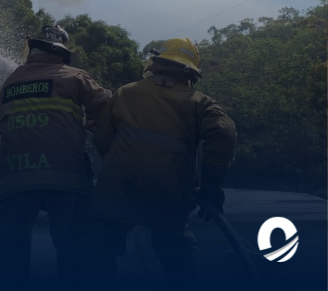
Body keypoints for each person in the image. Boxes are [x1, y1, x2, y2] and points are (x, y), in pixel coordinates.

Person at [84, 38, 237, 290]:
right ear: (189, 72)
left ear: (156, 64)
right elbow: (225, 133)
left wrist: (119, 168)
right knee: (177, 249)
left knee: (99, 253)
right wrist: (212, 186)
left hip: (116, 190)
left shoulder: (124, 92)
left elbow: (103, 139)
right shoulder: (199, 102)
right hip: (168, 192)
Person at [0, 25, 112, 286]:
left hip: (15, 176)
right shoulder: (75, 77)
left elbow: (4, 125)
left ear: (33, 50)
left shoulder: (9, 82)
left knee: (12, 248)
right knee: (73, 248)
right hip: (65, 176)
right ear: (61, 54)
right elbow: (110, 110)